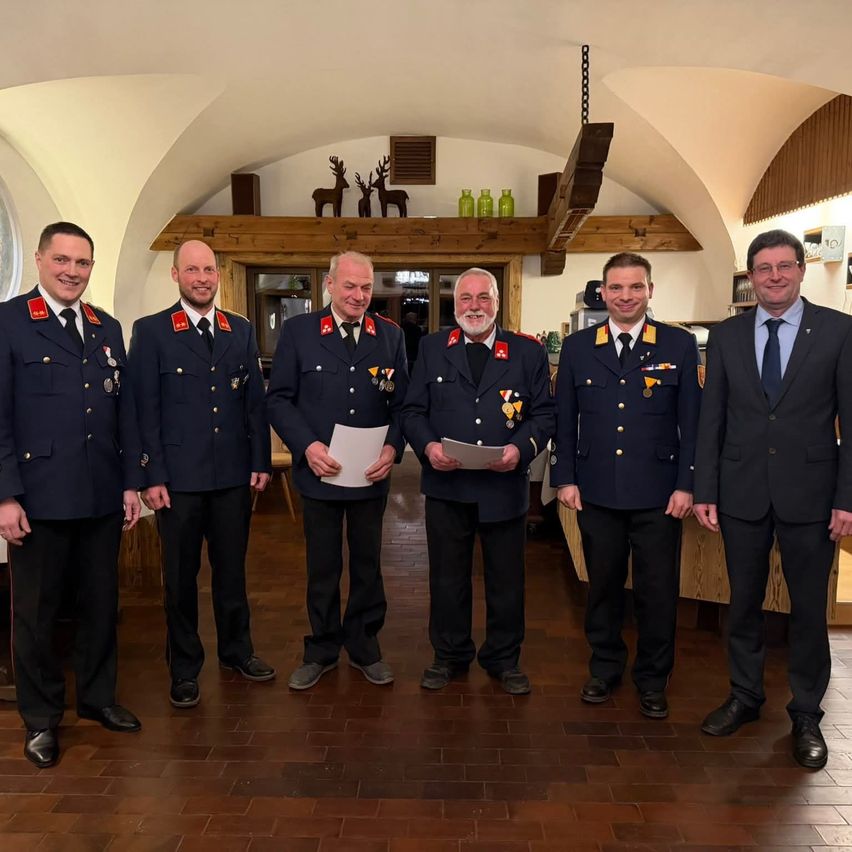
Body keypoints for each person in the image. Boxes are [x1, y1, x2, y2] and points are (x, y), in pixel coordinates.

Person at [694, 229, 852, 769]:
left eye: (785, 266)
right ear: (751, 276)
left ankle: (806, 713)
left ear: (802, 270)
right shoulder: (727, 336)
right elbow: (711, 416)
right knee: (743, 603)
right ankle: (745, 696)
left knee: (808, 608)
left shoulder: (838, 332)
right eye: (764, 269)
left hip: (813, 494)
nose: (775, 277)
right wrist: (705, 488)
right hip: (740, 492)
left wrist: (846, 497)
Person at [0, 222, 143, 768]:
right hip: (37, 500)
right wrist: (6, 495)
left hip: (102, 494)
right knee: (36, 615)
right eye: (62, 260)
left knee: (101, 606)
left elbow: (120, 413)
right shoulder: (11, 323)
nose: (72, 272)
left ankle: (98, 698)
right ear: (39, 260)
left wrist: (131, 481)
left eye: (82, 263)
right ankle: (41, 719)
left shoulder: (107, 328)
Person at [552, 252, 700, 718]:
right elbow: (564, 420)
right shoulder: (579, 348)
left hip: (659, 494)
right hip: (596, 489)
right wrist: (565, 478)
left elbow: (691, 423)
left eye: (636, 287)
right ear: (603, 292)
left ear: (650, 291)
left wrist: (687, 484)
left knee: (657, 592)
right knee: (604, 588)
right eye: (616, 288)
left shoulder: (677, 345)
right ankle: (605, 668)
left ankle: (653, 679)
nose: (626, 296)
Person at [127, 240, 274, 710]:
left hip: (232, 475)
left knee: (232, 573)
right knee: (180, 578)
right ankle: (185, 668)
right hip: (177, 481)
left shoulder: (241, 329)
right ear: (175, 276)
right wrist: (150, 474)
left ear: (218, 274)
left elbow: (253, 403)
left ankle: (237, 652)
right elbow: (143, 410)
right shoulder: (151, 332)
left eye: (208, 270)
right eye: (192, 270)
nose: (202, 278)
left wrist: (259, 461)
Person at [402, 268, 555, 695]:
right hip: (446, 487)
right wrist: (429, 448)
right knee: (447, 579)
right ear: (455, 306)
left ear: (497, 303)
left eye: (483, 298)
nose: (474, 306)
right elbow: (412, 411)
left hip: (503, 487)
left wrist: (521, 450)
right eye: (465, 298)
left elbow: (544, 414)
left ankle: (504, 659)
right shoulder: (433, 348)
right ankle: (449, 656)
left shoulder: (527, 352)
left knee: (506, 580)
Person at [266, 251, 408, 690]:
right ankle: (322, 649)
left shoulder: (390, 337)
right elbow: (278, 399)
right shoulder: (299, 333)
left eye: (366, 287)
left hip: (369, 475)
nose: (359, 296)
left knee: (368, 565)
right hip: (319, 473)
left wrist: (392, 447)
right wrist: (305, 446)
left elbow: (403, 404)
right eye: (349, 286)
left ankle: (365, 646)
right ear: (329, 285)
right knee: (322, 566)